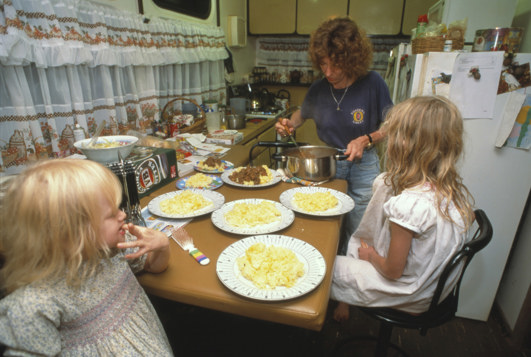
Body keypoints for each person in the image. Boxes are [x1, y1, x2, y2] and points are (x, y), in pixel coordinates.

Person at [0, 159, 173, 355]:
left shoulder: (112, 250)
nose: (123, 215)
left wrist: (161, 246)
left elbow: (153, 266)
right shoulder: (35, 304)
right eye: (110, 214)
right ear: (71, 233)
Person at [330, 96, 475, 321]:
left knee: (325, 266)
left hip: (409, 294)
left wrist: (370, 255)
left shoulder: (411, 205)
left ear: (403, 145)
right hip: (432, 287)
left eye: (393, 133)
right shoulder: (450, 190)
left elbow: (391, 271)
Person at [275, 16, 393, 255]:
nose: (328, 72)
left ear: (352, 59)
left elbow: (393, 125)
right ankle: (331, 266)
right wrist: (288, 125)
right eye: (323, 65)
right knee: (327, 223)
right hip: (327, 163)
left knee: (360, 225)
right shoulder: (318, 88)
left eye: (335, 65)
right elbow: (300, 116)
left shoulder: (373, 82)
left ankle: (354, 270)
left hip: (364, 163)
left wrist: (366, 139)